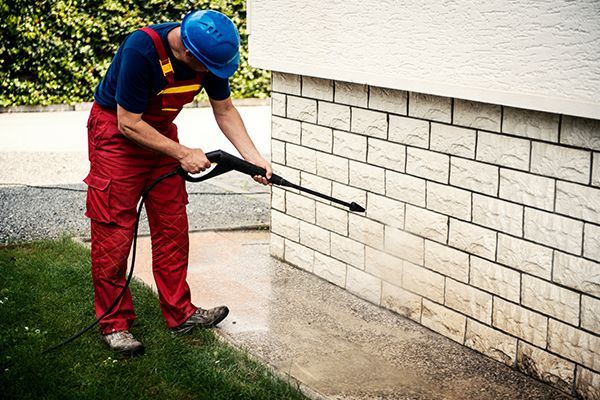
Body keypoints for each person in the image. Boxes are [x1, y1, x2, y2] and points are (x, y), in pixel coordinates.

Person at [84, 9, 271, 356]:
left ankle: (180, 313)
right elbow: (128, 123)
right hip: (117, 136)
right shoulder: (142, 50)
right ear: (187, 53)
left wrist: (253, 158)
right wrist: (183, 153)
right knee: (115, 232)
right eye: (208, 69)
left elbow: (225, 109)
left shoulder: (209, 56)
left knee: (172, 227)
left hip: (160, 136)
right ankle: (115, 323)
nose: (213, 75)